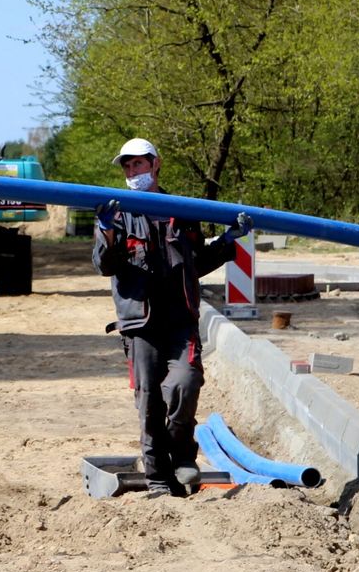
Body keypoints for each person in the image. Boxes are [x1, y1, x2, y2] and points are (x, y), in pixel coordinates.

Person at [93, 137, 253, 497]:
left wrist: (229, 240)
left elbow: (197, 263)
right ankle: (159, 481)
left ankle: (183, 458)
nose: (134, 171)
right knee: (149, 401)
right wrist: (106, 231)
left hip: (180, 320)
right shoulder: (114, 214)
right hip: (140, 324)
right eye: (128, 166)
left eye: (139, 164)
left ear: (156, 164)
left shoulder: (180, 210)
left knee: (184, 384)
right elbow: (105, 265)